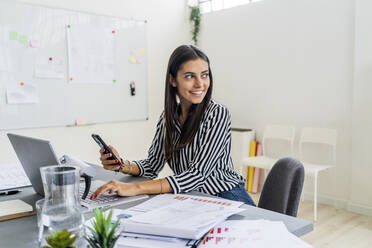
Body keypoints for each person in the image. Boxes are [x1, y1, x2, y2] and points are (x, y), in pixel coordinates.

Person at [91, 45, 255, 206]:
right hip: (192, 198)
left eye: (204, 75)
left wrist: (135, 188)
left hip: (228, 196)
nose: (200, 84)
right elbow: (152, 166)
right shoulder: (167, 118)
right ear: (172, 80)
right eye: (190, 76)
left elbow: (196, 175)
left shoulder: (217, 114)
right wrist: (122, 165)